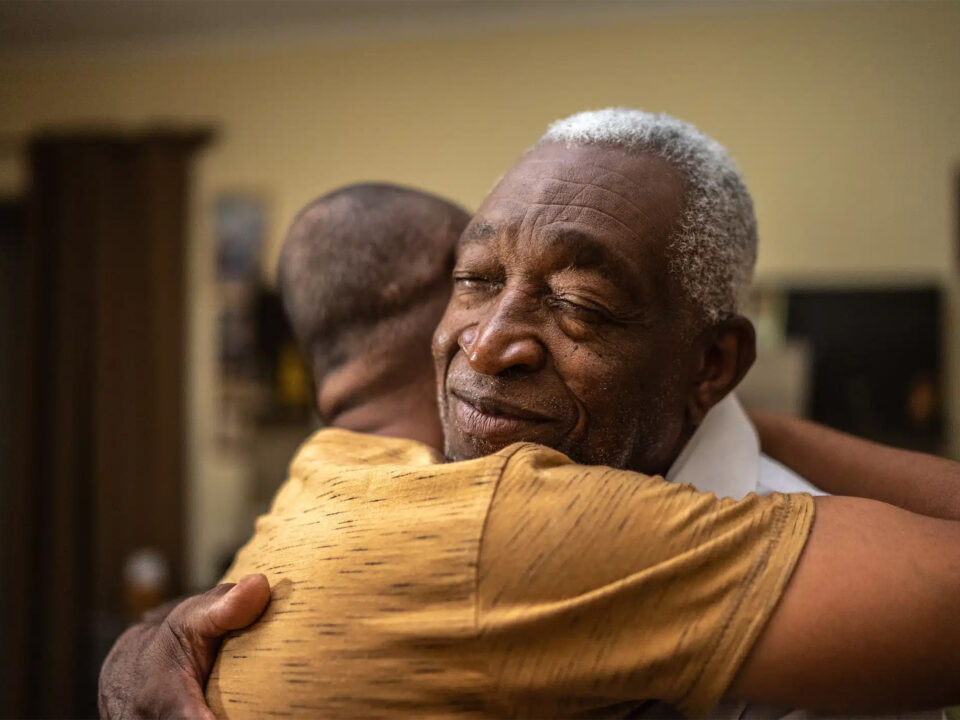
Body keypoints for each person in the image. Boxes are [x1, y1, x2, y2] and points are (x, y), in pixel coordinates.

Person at [103, 113, 960, 717]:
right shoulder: (422, 489)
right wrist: (146, 638)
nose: (486, 347)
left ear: (711, 365)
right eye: (473, 280)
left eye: (580, 301)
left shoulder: (831, 603)